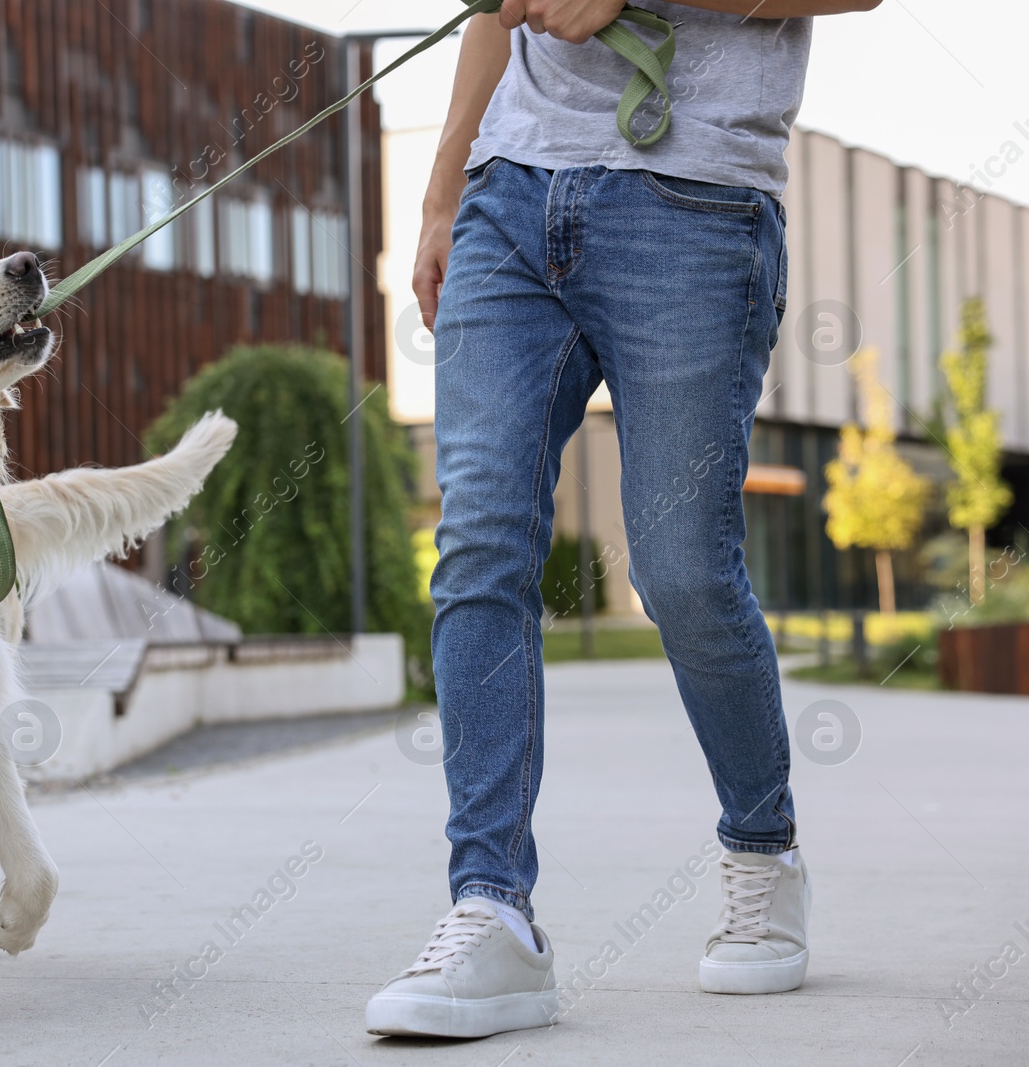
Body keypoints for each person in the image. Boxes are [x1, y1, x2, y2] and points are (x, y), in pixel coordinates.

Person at [365, 0, 885, 1040]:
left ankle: (761, 849)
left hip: (696, 203)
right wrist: (438, 198)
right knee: (478, 539)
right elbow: (490, 15)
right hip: (507, 202)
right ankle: (491, 907)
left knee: (681, 570)